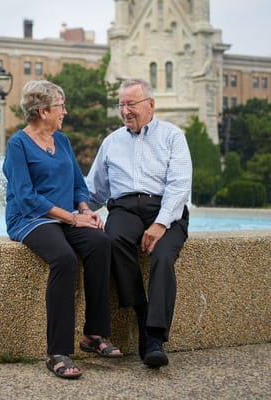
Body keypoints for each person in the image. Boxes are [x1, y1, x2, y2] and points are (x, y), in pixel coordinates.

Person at [3, 80, 122, 380]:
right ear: (42, 111)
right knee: (64, 259)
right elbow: (27, 196)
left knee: (100, 243)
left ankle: (94, 334)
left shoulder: (63, 141)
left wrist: (84, 211)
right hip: (30, 219)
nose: (64, 112)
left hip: (66, 216)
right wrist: (71, 219)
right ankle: (57, 352)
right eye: (60, 107)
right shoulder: (18, 144)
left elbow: (78, 185)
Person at [86, 78, 192, 369]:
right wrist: (75, 211)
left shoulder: (173, 136)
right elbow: (95, 189)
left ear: (150, 105)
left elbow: (180, 185)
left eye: (131, 104)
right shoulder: (111, 142)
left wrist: (160, 223)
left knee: (162, 257)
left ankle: (154, 337)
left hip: (166, 210)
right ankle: (143, 312)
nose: (125, 110)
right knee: (114, 238)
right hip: (125, 209)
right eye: (121, 104)